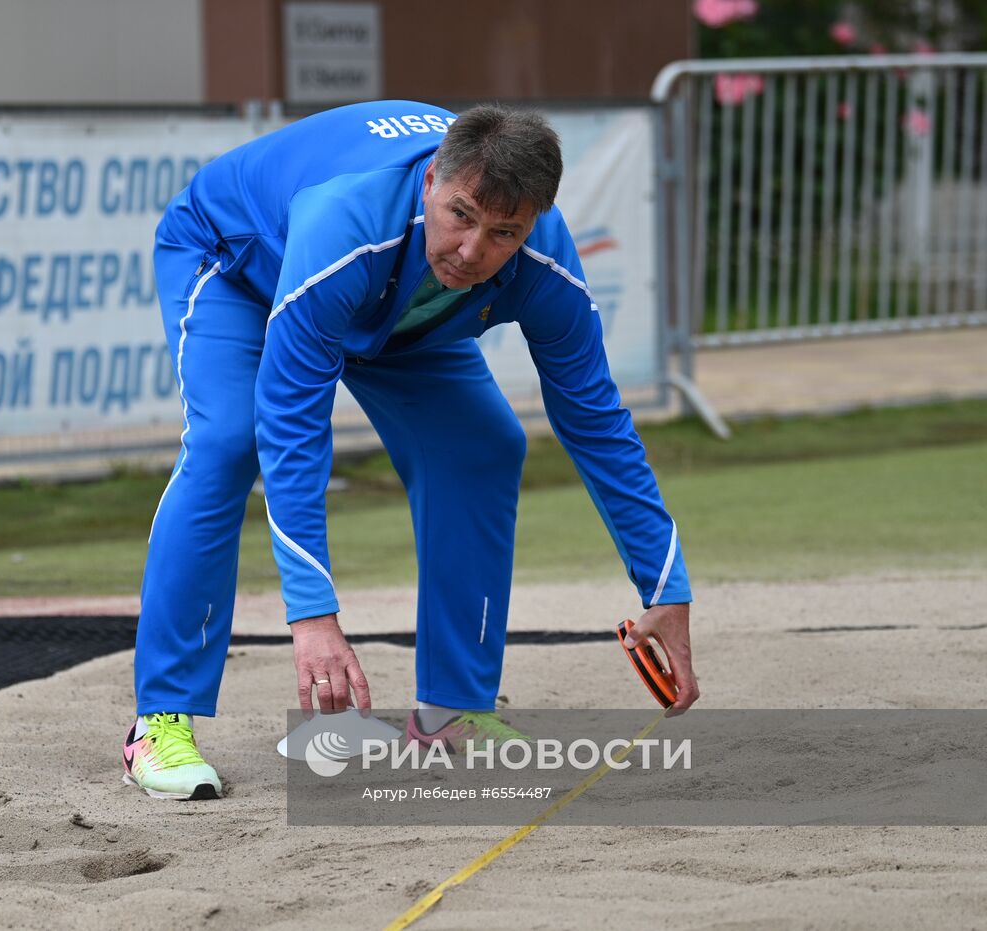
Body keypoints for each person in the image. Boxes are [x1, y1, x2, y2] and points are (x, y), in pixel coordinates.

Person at [120, 101, 699, 801]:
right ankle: (159, 722)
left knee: (483, 444)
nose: (472, 250)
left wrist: (665, 585)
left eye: (503, 232)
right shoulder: (346, 224)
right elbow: (293, 427)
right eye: (461, 215)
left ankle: (453, 710)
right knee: (228, 441)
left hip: (394, 304)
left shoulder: (544, 262)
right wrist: (313, 616)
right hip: (241, 265)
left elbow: (595, 417)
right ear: (431, 181)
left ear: (534, 224)